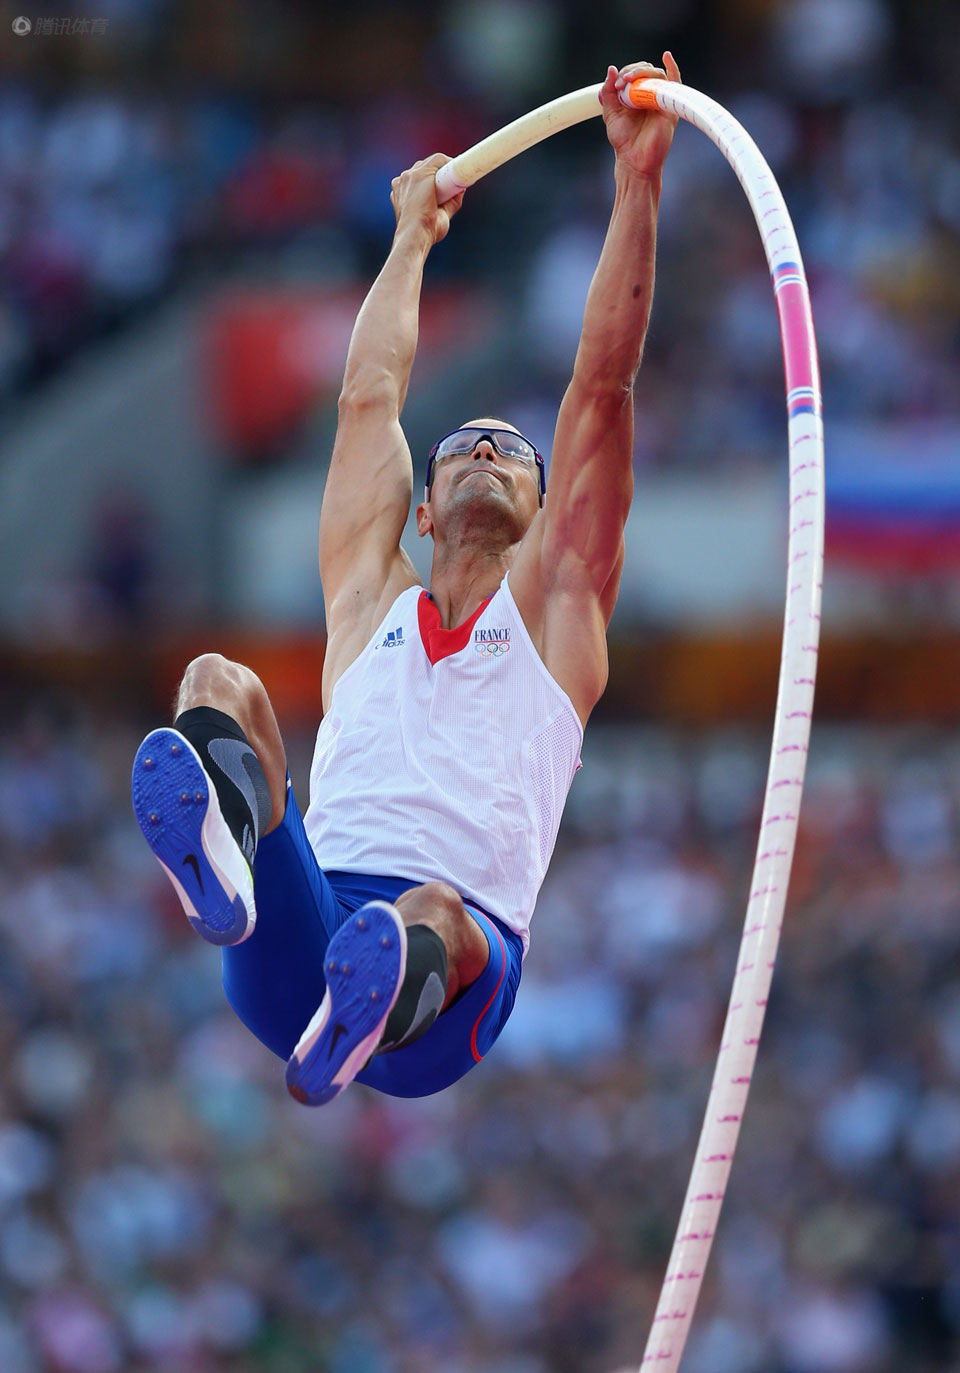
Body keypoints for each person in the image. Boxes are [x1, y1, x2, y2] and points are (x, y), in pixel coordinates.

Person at [132, 56, 681, 1107]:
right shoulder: (366, 606)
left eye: (509, 450)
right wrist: (408, 243)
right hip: (300, 933)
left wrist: (637, 183)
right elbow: (367, 401)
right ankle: (224, 870)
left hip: (453, 980)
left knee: (425, 913)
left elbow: (602, 386)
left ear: (540, 501)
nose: (483, 449)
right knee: (217, 685)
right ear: (420, 511)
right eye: (463, 445)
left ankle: (370, 1001)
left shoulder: (560, 615)